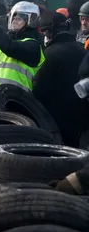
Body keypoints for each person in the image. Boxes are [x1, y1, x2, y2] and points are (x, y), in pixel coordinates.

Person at [33, 10, 89, 147]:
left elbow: (38, 91)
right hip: (82, 119)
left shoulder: (47, 55)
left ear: (48, 33)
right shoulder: (83, 50)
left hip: (56, 122)